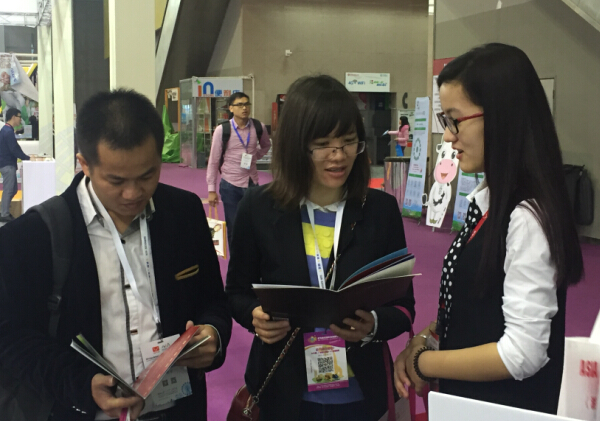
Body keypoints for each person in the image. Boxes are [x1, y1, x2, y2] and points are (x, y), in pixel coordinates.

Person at [0, 89, 232, 421]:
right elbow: (12, 338)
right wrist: (82, 384)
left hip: (177, 410)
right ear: (84, 164)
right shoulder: (32, 236)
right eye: (116, 180)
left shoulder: (184, 213)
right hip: (85, 413)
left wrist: (213, 334)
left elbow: (213, 300)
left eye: (147, 175)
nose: (133, 193)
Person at [393, 43, 583, 414]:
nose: (448, 137)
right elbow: (480, 304)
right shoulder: (491, 202)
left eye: (454, 120)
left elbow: (522, 353)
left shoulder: (526, 216)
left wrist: (424, 362)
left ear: (500, 117)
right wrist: (428, 338)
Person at [226, 75, 415, 421]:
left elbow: (404, 306)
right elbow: (236, 293)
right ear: (297, 146)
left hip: (363, 392)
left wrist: (373, 324)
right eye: (324, 144)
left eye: (348, 142)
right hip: (284, 390)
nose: (338, 156)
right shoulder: (259, 208)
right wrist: (255, 317)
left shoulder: (380, 210)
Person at [206, 92, 271, 245]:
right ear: (231, 108)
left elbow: (266, 145)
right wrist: (211, 190)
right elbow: (214, 160)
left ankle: (250, 257)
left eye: (246, 104)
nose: (244, 108)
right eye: (240, 105)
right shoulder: (222, 130)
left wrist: (255, 156)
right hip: (230, 184)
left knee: (253, 225)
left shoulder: (258, 127)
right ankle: (236, 258)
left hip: (252, 183)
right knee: (234, 227)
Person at [0, 107, 29, 222]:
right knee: (9, 189)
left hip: (7, 164)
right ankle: (4, 213)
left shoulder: (6, 130)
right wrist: (26, 158)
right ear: (13, 117)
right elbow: (14, 149)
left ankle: (4, 210)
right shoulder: (7, 132)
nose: (20, 119)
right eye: (19, 117)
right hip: (7, 164)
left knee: (13, 189)